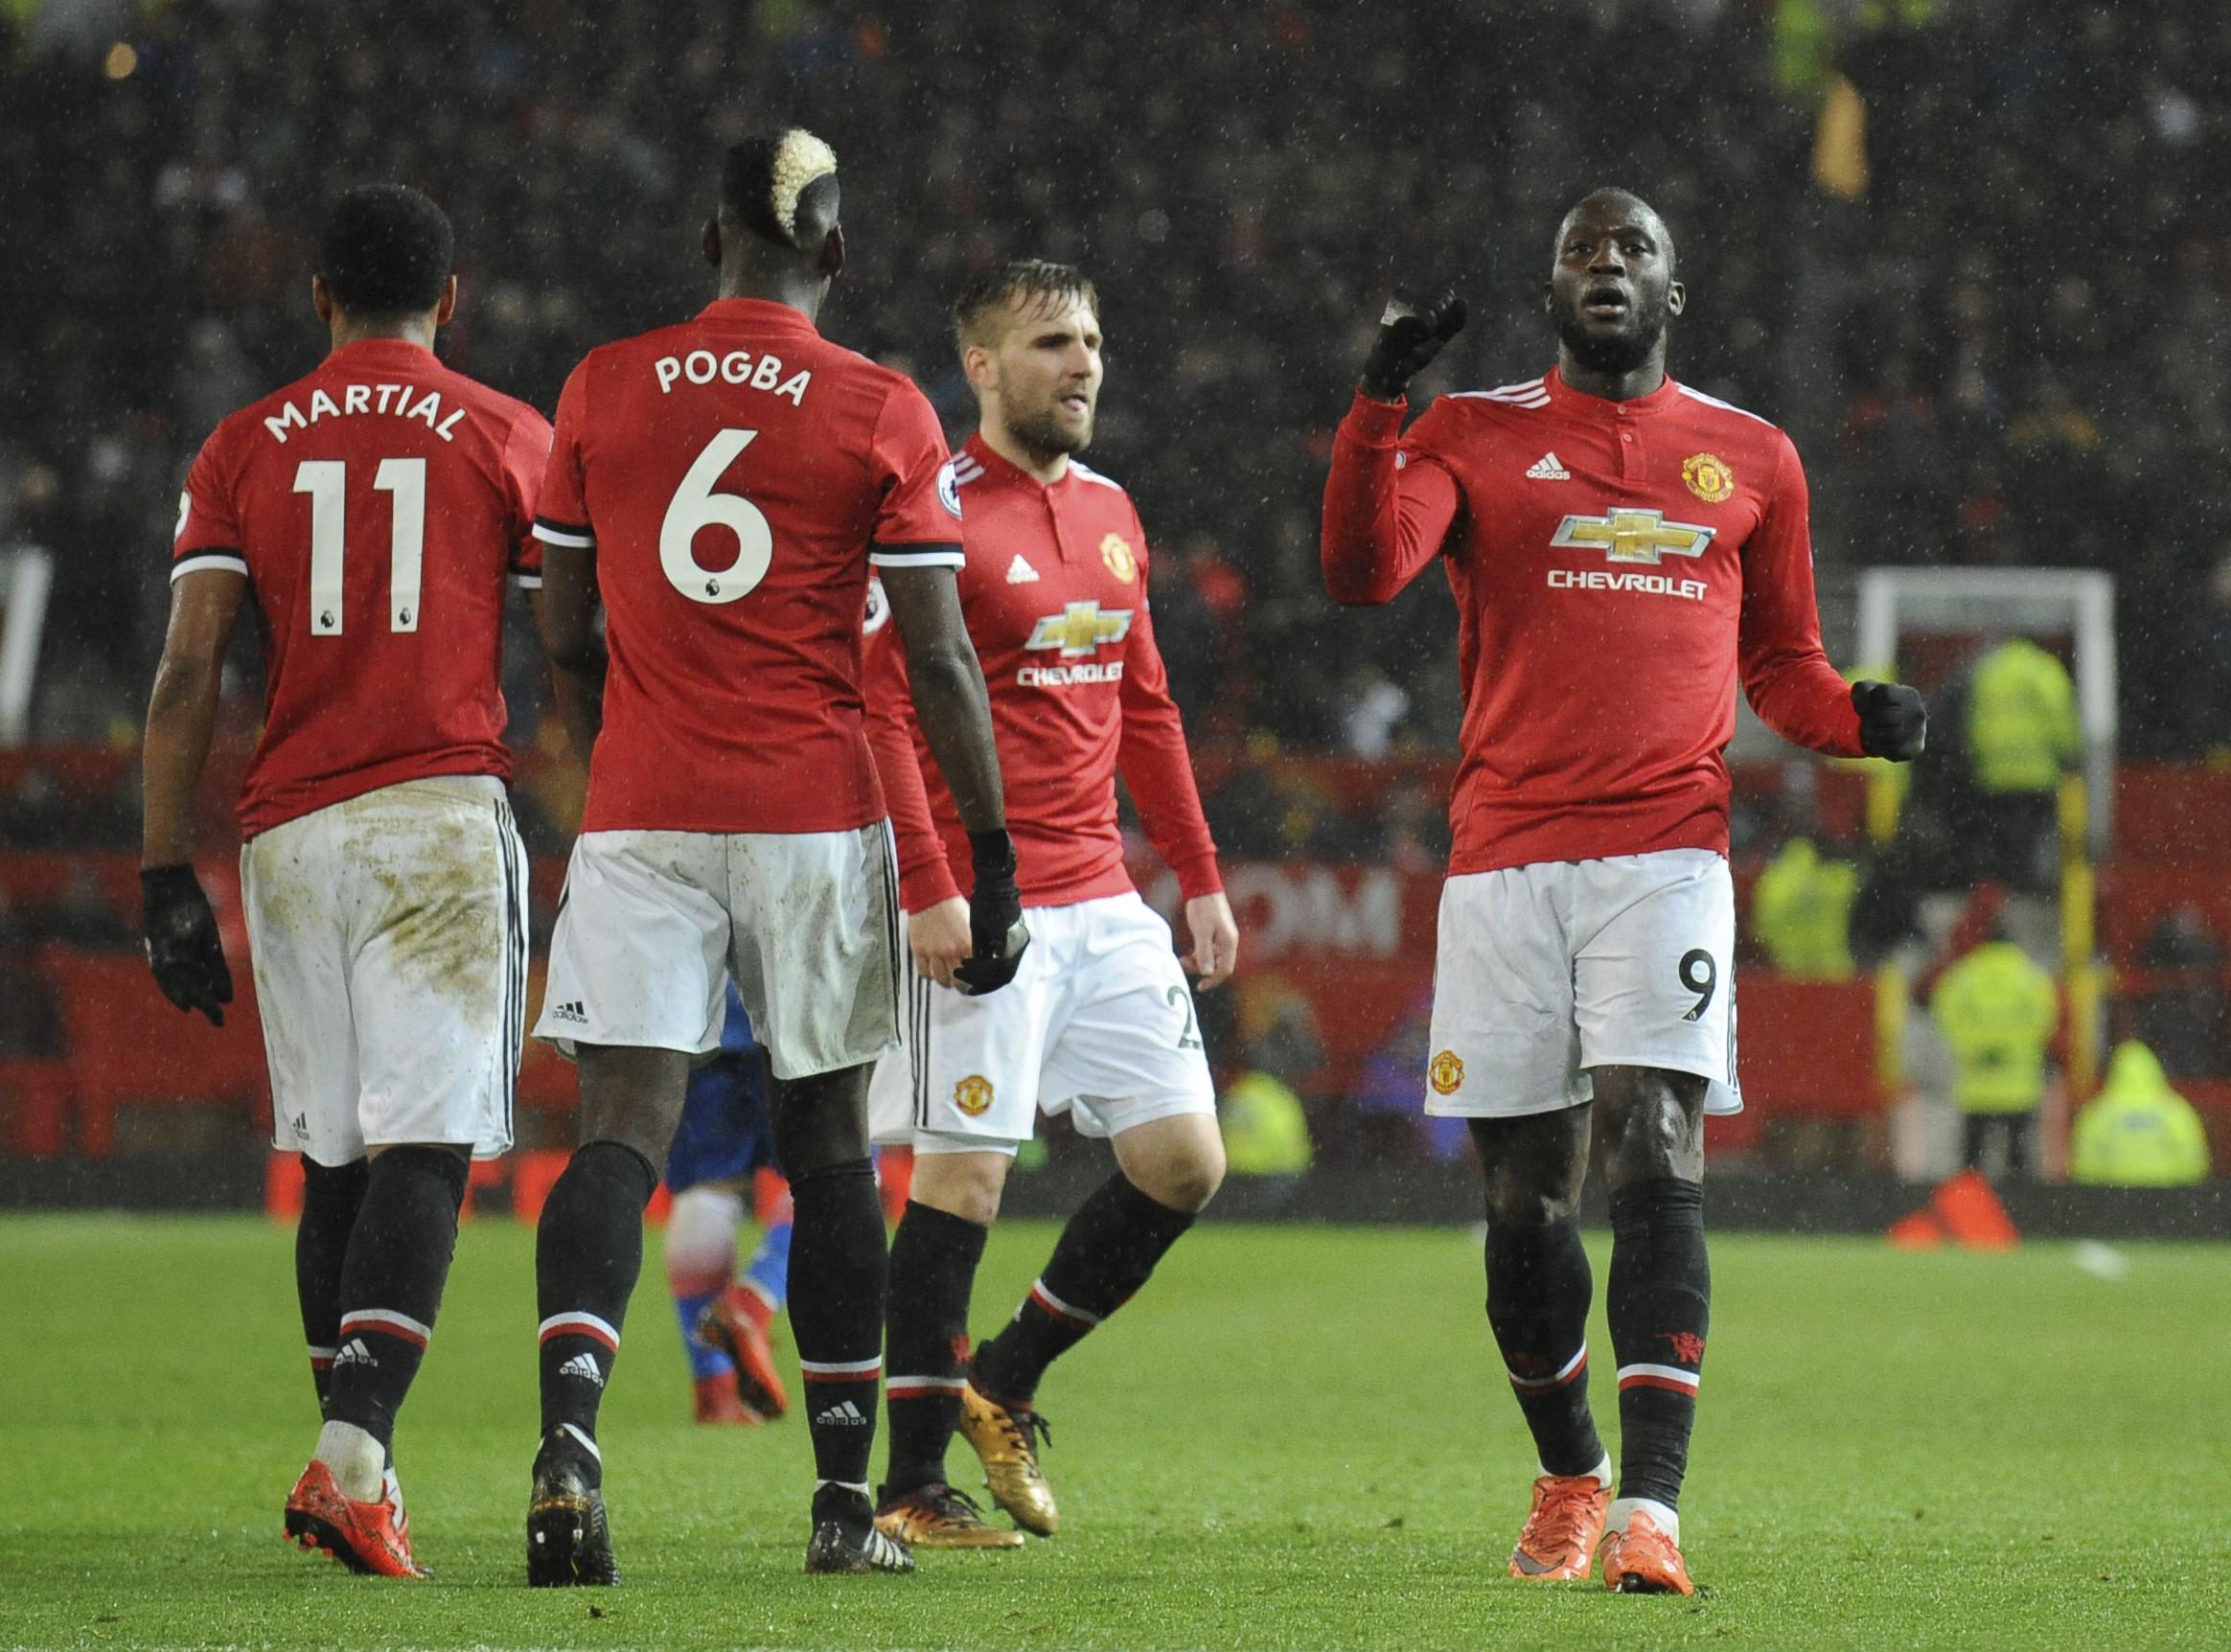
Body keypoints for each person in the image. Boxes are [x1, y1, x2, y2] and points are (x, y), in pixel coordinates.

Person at [1319, 189, 1926, 1595]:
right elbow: (1362, 573)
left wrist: (1852, 719)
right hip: (1507, 863)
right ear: (1549, 291)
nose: (1608, 266)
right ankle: (1570, 1472)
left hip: (1667, 857)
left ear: (1675, 293)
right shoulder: (1469, 429)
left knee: (1657, 1146)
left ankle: (1652, 1513)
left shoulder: (1751, 456)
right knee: (1526, 1207)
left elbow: (1781, 661)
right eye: (1584, 251)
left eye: (1633, 251)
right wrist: (1376, 405)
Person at [522, 129, 1024, 1582]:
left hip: (644, 806)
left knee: (620, 1130)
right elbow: (933, 658)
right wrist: (988, 853)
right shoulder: (879, 406)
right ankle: (838, 1508)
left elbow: (563, 627)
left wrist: (617, 745)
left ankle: (568, 1444)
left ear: (708, 243)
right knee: (828, 1150)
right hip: (812, 813)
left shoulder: (603, 386)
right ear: (839, 256)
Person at [143, 185, 546, 1578]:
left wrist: (160, 875)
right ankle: (353, 1457)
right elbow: (583, 636)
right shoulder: (507, 433)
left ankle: (354, 1469)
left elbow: (190, 667)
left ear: (316, 297)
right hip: (436, 808)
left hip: (287, 833)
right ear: (452, 298)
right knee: (429, 1148)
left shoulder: (241, 444)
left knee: (329, 1157)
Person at [862, 261, 1238, 1549]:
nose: (1079, 365)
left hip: (1105, 898)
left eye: (1089, 340)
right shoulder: (939, 515)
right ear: (978, 366)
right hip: (989, 903)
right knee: (963, 1178)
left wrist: (1198, 879)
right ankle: (911, 1485)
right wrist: (930, 884)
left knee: (1185, 1164)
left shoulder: (1119, 513)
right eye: (1047, 345)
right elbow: (886, 710)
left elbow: (1146, 708)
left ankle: (1005, 1376)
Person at [662, 981, 794, 1426]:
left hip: (705, 999)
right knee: (836, 1177)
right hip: (797, 994)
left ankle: (715, 1392)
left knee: (707, 1191)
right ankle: (751, 1302)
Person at [1928, 932, 2059, 1180]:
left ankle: (1967, 1211)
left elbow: (1945, 1015)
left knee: (1972, 1159)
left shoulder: (1963, 976)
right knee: (2018, 1159)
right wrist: (2013, 1048)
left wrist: (1974, 1048)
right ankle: (2017, 1210)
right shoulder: (2030, 976)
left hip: (1975, 1083)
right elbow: (2045, 1019)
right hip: (2018, 1084)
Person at [2068, 1040, 2212, 1186]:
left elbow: (2084, 1167)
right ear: (2155, 1069)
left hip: (2113, 1199)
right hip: (2167, 1199)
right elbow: (2194, 1162)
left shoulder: (2097, 1113)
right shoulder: (2176, 1111)